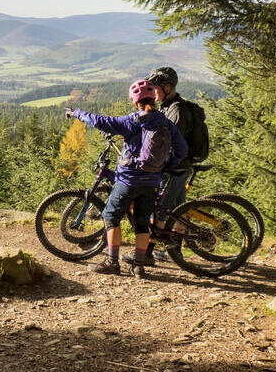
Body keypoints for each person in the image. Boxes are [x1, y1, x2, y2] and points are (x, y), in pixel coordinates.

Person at [65, 80, 188, 277]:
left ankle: (112, 262)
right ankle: (138, 266)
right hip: (152, 182)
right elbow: (182, 150)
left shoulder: (132, 121)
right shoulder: (166, 123)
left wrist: (76, 113)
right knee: (142, 222)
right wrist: (164, 166)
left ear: (134, 101)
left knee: (111, 217)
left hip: (128, 180)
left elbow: (99, 121)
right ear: (153, 99)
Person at [137, 66, 193, 264]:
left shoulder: (176, 110)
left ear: (168, 88)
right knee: (178, 210)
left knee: (160, 209)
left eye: (156, 89)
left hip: (176, 168)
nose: (153, 93)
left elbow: (171, 142)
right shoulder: (168, 106)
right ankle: (174, 252)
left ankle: (146, 253)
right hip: (179, 166)